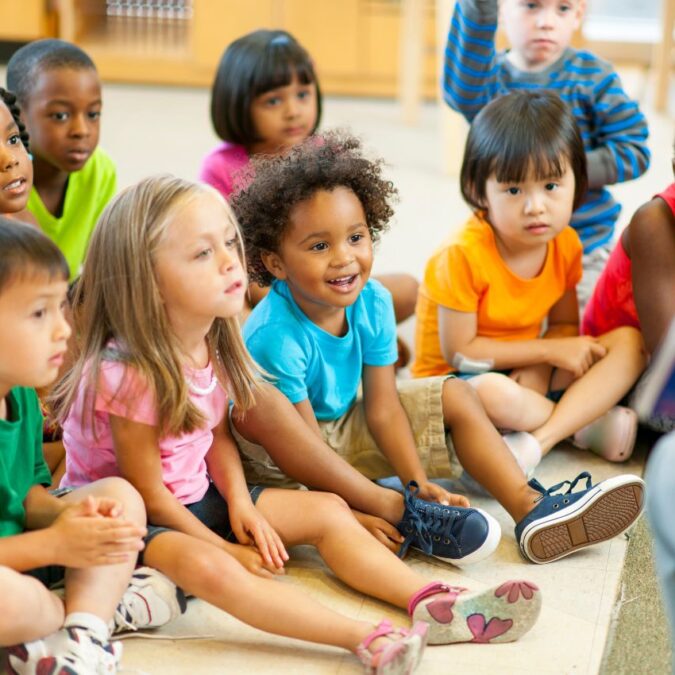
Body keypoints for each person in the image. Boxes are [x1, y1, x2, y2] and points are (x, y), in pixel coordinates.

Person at [53, 175, 543, 671]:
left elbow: (213, 436)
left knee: (330, 510)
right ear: (147, 281)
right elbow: (148, 493)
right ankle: (365, 638)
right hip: (135, 518)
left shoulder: (211, 339)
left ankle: (435, 603)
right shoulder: (129, 373)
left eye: (229, 243)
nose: (230, 262)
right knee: (223, 572)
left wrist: (242, 502)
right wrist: (222, 548)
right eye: (203, 254)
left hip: (198, 496)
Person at [232, 129, 644, 566]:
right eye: (319, 246)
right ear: (275, 263)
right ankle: (402, 513)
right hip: (281, 459)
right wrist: (354, 511)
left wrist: (414, 482)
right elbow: (306, 453)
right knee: (356, 489)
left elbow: (384, 407)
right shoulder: (272, 335)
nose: (344, 258)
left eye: (356, 237)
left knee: (457, 394)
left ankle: (531, 509)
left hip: (339, 421)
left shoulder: (372, 301)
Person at [412, 90, 647, 468]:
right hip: (457, 384)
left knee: (630, 343)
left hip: (524, 369)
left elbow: (565, 325)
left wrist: (542, 365)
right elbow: (461, 352)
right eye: (514, 189)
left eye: (551, 186)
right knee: (494, 395)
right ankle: (582, 422)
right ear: (478, 191)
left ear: (577, 182)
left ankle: (538, 439)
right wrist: (547, 353)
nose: (535, 205)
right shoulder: (460, 254)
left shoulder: (564, 243)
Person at [0, 220, 184, 674]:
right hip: (14, 578)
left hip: (27, 553)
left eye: (61, 309)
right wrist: (55, 544)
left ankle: (82, 635)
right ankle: (80, 615)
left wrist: (72, 518)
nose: (64, 330)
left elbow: (27, 496)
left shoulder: (19, 394)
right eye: (40, 314)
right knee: (15, 601)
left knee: (120, 496)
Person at [200, 29, 418, 340]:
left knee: (407, 290)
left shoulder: (328, 156)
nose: (293, 111)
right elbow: (226, 258)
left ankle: (346, 336)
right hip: (257, 286)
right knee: (233, 317)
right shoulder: (220, 167)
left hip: (324, 281)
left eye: (303, 94)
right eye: (273, 100)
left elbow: (350, 241)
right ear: (238, 103)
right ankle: (329, 339)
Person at [442, 0, 650, 305]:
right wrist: (480, 7)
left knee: (589, 320)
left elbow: (634, 151)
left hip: (585, 242)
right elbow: (459, 93)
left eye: (562, 9)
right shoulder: (487, 81)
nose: (546, 22)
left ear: (579, 13)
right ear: (501, 11)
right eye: (531, 6)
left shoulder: (594, 77)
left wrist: (565, 173)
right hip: (506, 242)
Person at [6, 39, 117, 281]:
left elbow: (101, 270)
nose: (81, 130)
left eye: (93, 114)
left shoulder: (100, 170)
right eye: (60, 115)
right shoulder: (6, 176)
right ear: (16, 114)